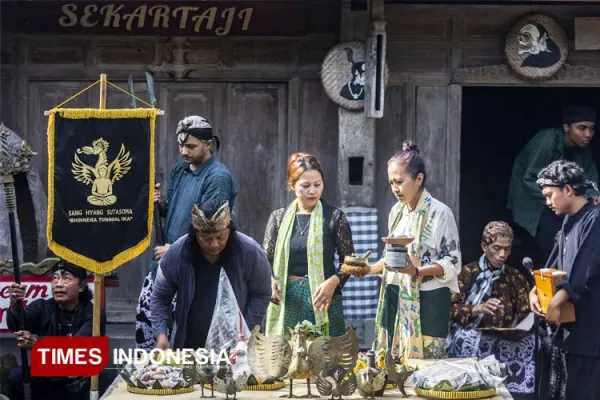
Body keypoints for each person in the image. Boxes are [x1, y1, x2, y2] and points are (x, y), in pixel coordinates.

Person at [135, 115, 237, 351]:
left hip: (193, 268)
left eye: (191, 146)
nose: (184, 151)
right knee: (151, 339)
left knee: (183, 344)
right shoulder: (179, 170)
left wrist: (175, 250)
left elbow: (212, 226)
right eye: (181, 145)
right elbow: (176, 212)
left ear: (208, 144)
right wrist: (160, 204)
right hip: (164, 265)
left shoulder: (217, 177)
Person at [369, 141, 462, 360]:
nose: (395, 188)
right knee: (391, 361)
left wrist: (417, 271)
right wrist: (368, 269)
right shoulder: (396, 211)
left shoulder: (440, 213)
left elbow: (453, 261)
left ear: (419, 179)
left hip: (429, 298)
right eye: (391, 182)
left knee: (426, 364)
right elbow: (391, 257)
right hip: (395, 292)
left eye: (399, 182)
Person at [150, 200, 272, 350]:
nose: (214, 244)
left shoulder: (250, 252)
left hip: (238, 345)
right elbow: (160, 298)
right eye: (206, 239)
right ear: (195, 235)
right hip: (189, 344)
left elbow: (261, 294)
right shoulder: (177, 254)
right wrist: (161, 334)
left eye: (221, 237)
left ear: (230, 231)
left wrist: (245, 330)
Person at [528, 160, 600, 400]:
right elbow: (554, 264)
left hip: (592, 332)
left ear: (567, 189)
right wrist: (535, 291)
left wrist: (556, 302)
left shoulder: (595, 218)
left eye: (550, 195)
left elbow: (584, 270)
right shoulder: (569, 220)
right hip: (572, 331)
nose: (548, 202)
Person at [264, 153, 355, 338]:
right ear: (292, 185)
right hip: (288, 301)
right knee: (288, 352)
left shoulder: (334, 217)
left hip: (324, 300)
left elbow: (350, 261)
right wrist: (270, 280)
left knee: (327, 352)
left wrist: (334, 282)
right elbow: (264, 260)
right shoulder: (278, 218)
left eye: (317, 185)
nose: (312, 191)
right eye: (305, 186)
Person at [446, 221, 535, 395]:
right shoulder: (467, 273)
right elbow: (451, 310)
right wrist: (478, 309)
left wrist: (517, 328)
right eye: (497, 248)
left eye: (507, 249)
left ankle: (515, 394)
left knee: (530, 343)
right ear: (484, 246)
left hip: (505, 337)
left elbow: (526, 312)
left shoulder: (515, 277)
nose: (502, 254)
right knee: (470, 339)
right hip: (471, 331)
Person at [6, 260, 107, 400]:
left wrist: (38, 344)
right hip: (48, 380)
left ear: (81, 286)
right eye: (55, 278)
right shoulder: (42, 306)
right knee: (16, 376)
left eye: (66, 279)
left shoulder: (94, 314)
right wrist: (15, 305)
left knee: (108, 377)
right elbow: (18, 324)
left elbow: (77, 349)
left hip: (78, 383)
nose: (58, 284)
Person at [508, 105, 598, 257]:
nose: (588, 134)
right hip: (532, 197)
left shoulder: (584, 147)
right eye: (581, 128)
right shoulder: (547, 140)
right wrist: (562, 197)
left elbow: (589, 176)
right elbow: (529, 179)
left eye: (592, 128)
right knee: (556, 240)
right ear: (566, 127)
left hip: (565, 197)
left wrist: (593, 195)